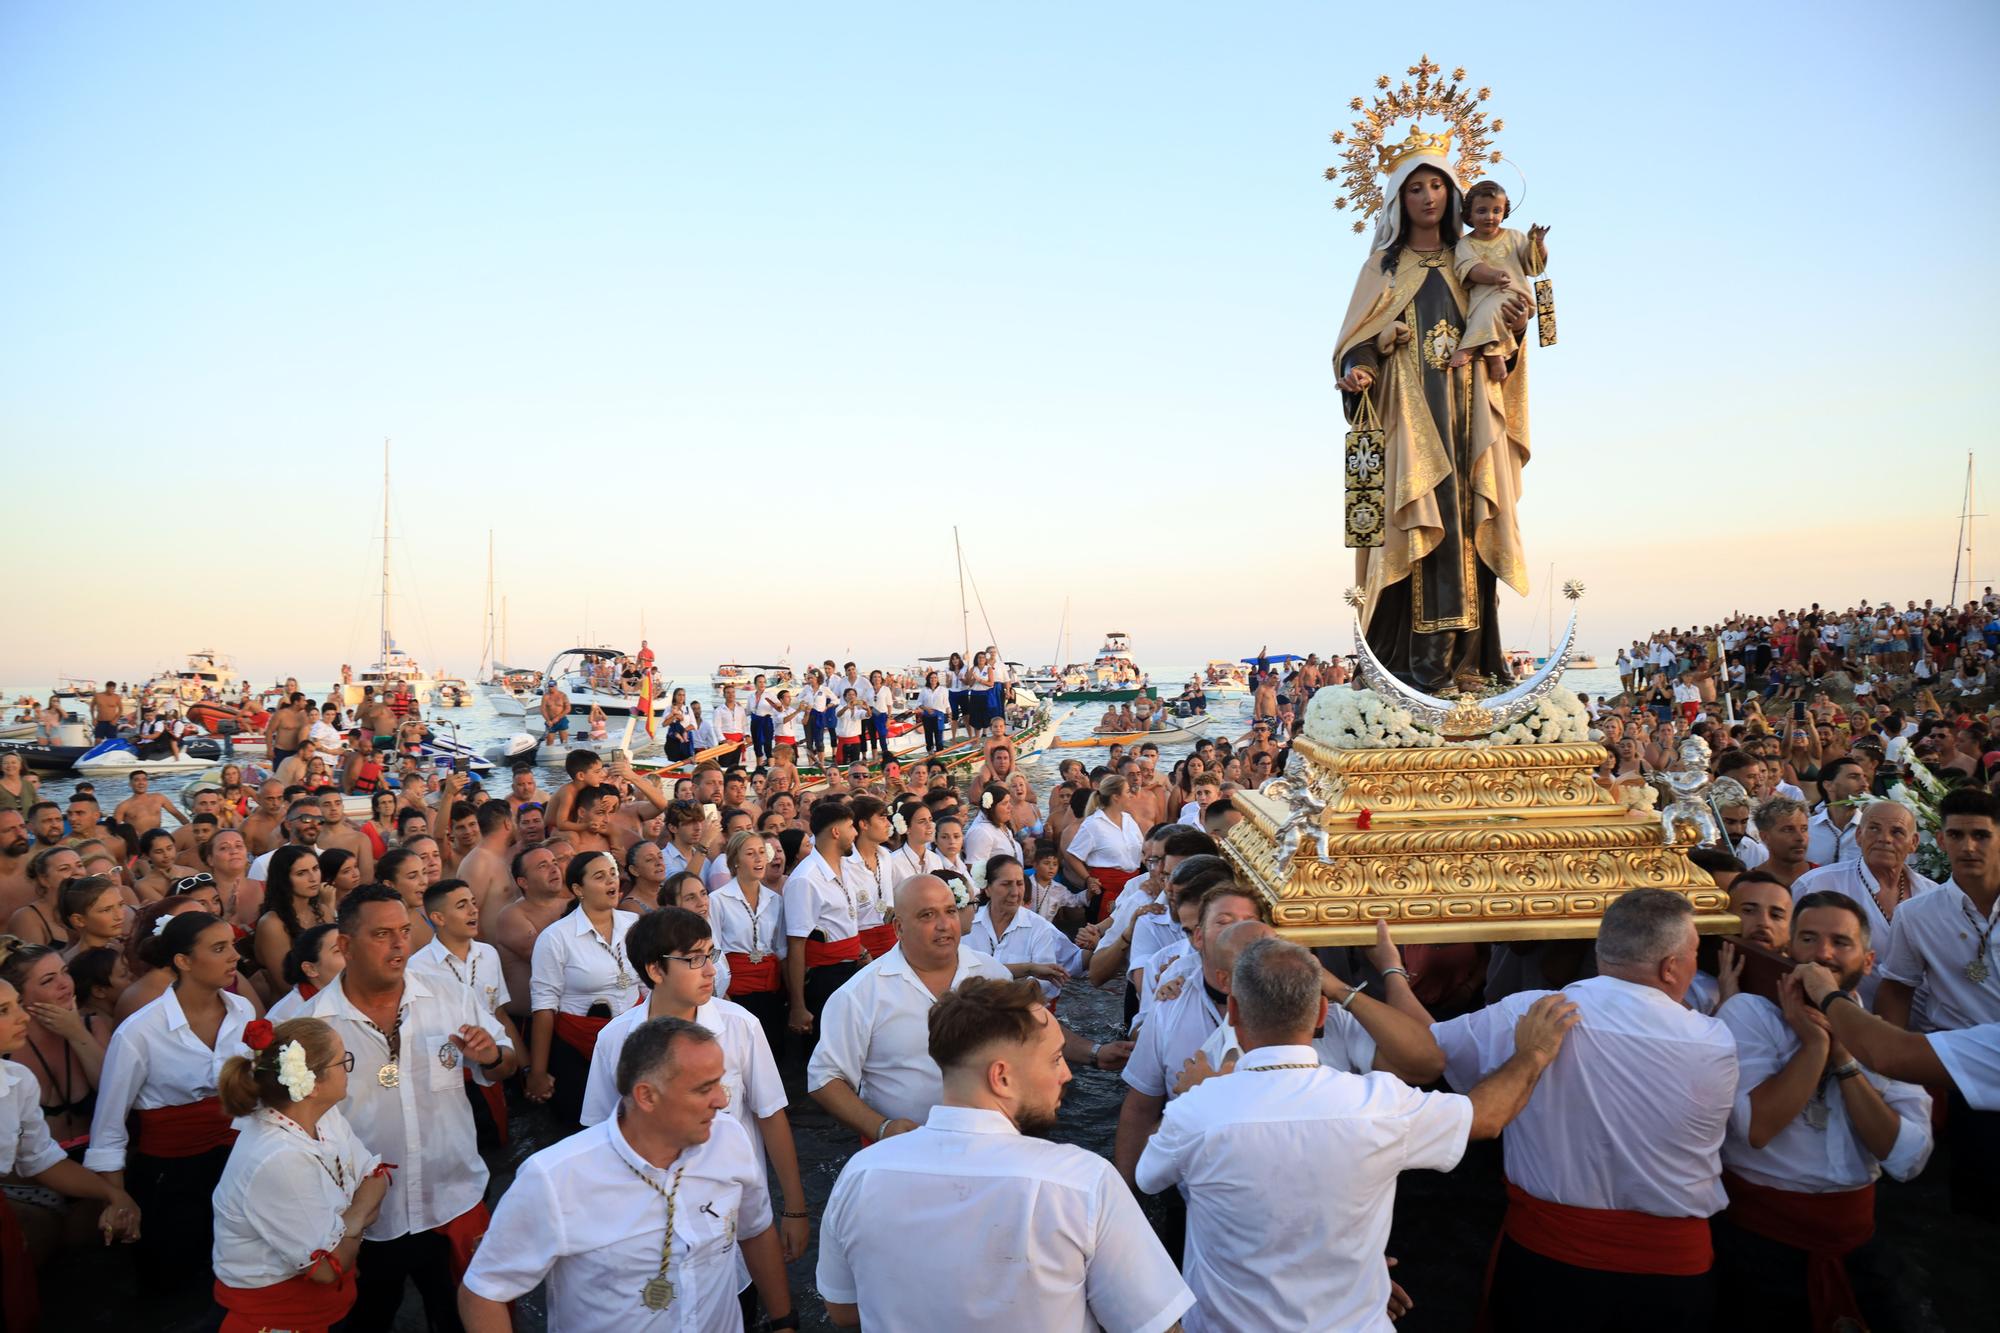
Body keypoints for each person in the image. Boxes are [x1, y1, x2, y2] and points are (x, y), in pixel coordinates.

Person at [1138, 936, 1575, 1332]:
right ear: (1322, 1012)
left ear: (1232, 1010)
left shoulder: (1198, 1109)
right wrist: (1534, 1052)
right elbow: (1485, 1117)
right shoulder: (1378, 1103)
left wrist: (1198, 1094)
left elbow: (1148, 1177)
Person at [1431, 888, 1738, 1331]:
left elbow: (1426, 1048)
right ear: (1671, 967)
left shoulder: (1530, 1011)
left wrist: (1391, 973)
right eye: (1694, 954)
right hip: (1670, 1272)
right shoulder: (1716, 1040)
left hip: (1548, 1261)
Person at [816, 976, 1194, 1330]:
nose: (1067, 1074)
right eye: (1055, 1058)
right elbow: (1156, 1324)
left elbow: (843, 1309)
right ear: (1002, 1077)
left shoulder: (860, 1174)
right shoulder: (1081, 1184)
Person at [1334, 139, 1533, 692]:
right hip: (1410, 420)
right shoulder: (1383, 266)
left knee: (1471, 524)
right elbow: (1355, 341)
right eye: (1416, 187)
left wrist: (1513, 330)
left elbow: (1505, 338)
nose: (1428, 197)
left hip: (1470, 418)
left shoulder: (1476, 259)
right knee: (1417, 521)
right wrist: (1362, 365)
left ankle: (1469, 664)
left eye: (1438, 185)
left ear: (1456, 194)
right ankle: (1406, 667)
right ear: (1399, 199)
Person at [460, 1015, 797, 1332]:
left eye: (720, 1083)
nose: (722, 1100)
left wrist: (784, 1321)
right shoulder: (555, 1178)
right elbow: (483, 1292)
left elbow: (755, 1231)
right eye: (703, 1088)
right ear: (647, 1096)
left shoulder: (729, 1138)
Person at [1711, 892, 1933, 1333]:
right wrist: (1813, 1046)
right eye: (1809, 939)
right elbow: (1757, 1128)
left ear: (1868, 961)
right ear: (1790, 948)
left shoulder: (1883, 1040)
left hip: (1856, 1237)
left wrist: (1844, 1059)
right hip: (1759, 1239)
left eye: (1840, 942)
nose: (1823, 954)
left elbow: (1906, 1159)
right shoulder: (1750, 1013)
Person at [301, 884, 516, 1328]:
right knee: (366, 1321)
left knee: (461, 1319)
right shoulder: (310, 1025)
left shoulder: (448, 995)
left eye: (404, 931)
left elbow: (505, 1061)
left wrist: (491, 1057)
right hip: (367, 1220)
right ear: (344, 946)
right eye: (382, 935)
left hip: (451, 1199)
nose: (400, 946)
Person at [578, 908, 810, 1268]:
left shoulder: (739, 1026)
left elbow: (771, 1114)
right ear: (655, 970)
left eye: (710, 955)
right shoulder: (615, 1039)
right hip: (651, 1219)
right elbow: (599, 1134)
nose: (710, 970)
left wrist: (794, 1208)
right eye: (694, 960)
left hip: (733, 1212)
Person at [87, 911, 255, 1290]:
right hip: (171, 1175)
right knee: (178, 1279)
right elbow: (110, 1126)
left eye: (231, 945)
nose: (234, 957)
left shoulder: (242, 1011)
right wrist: (117, 1197)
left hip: (237, 1163)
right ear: (183, 961)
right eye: (219, 948)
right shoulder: (140, 1031)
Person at [210, 1016, 389, 1333]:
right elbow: (326, 1269)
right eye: (342, 1062)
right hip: (280, 1320)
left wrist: (348, 1225)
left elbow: (376, 1177)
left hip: (325, 1308)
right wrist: (359, 1219)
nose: (349, 1068)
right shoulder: (278, 1157)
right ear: (313, 1084)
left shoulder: (325, 1115)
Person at [1871, 785, 2000, 1218]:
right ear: (1939, 841)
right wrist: (1893, 1067)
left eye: (1981, 835)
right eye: (1957, 835)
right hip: (1962, 1071)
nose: (1968, 846)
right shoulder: (1918, 914)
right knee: (1977, 1191)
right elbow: (1897, 987)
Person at [808, 874, 1016, 1142]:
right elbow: (824, 1078)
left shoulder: (992, 973)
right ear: (899, 928)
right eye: (927, 915)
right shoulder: (860, 993)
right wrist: (882, 1127)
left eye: (950, 911)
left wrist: (1088, 1052)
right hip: (901, 1150)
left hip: (990, 1142)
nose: (944, 925)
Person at [525, 850, 641, 1127]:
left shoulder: (634, 925)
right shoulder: (555, 937)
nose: (612, 881)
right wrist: (538, 1072)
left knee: (637, 1122)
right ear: (578, 889)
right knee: (586, 1126)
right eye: (600, 877)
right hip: (579, 1045)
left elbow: (649, 985)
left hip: (635, 1038)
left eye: (613, 873)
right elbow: (544, 1005)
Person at [1787, 800, 1936, 1007]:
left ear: (1914, 842)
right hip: (1835, 1015)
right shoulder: (1817, 884)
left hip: (1926, 1028)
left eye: (1897, 832)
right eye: (1874, 829)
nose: (1884, 839)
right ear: (1858, 836)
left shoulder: (1933, 896)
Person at [782, 800, 869, 1046]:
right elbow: (797, 944)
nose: (856, 833)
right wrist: (798, 1006)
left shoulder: (844, 867)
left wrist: (862, 953)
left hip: (850, 968)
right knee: (828, 1047)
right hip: (824, 977)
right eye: (851, 826)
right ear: (835, 832)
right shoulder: (805, 879)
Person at [965, 853, 1086, 1004]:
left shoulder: (1039, 928)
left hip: (1020, 1012)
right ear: (987, 889)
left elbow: (1045, 983)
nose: (1015, 892)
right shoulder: (969, 924)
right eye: (1006, 884)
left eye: (1019, 883)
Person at [710, 829, 788, 1052]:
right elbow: (714, 950)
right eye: (750, 853)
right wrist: (722, 993)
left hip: (770, 988)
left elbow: (780, 949)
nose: (758, 859)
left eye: (762, 852)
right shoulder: (718, 900)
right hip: (735, 988)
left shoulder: (775, 900)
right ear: (735, 861)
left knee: (772, 1049)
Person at [1062, 774, 1145, 921]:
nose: (1131, 795)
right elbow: (1072, 855)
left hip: (1132, 887)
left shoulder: (1128, 819)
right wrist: (1088, 878)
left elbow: (1142, 849)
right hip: (1106, 890)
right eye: (1127, 791)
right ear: (1115, 797)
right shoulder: (1093, 824)